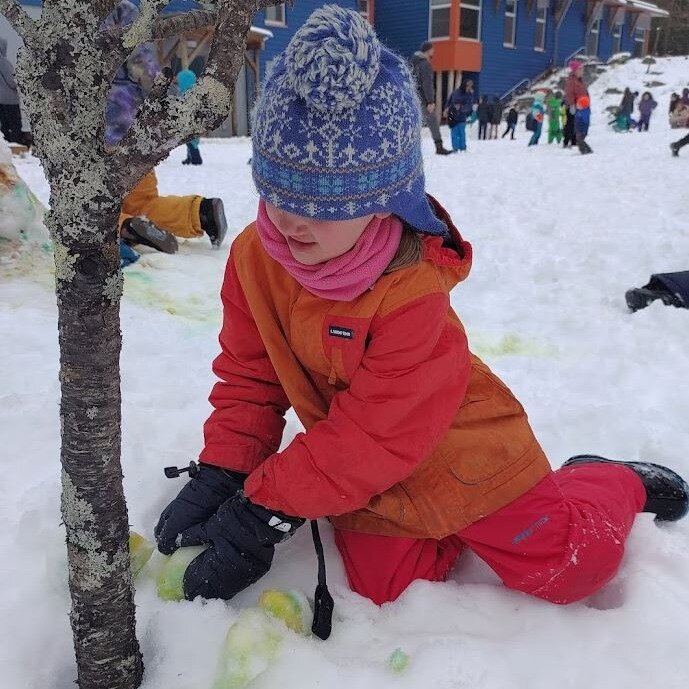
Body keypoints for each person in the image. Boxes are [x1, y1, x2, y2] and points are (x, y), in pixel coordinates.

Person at [152, 7, 689, 614]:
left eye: (325, 203)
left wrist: (267, 505)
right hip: (363, 468)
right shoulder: (255, 257)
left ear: (385, 201)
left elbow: (379, 430)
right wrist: (226, 469)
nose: (290, 220)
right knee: (388, 590)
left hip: (465, 460)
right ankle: (443, 528)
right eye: (275, 194)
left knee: (571, 567)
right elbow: (250, 378)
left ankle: (603, 480)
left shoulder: (410, 289)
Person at [105, 0, 227, 252]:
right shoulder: (122, 10)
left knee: (86, 207)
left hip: (89, 137)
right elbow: (145, 68)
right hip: (132, 129)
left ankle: (128, 227)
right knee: (144, 202)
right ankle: (200, 212)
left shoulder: (64, 18)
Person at [409, 42, 452, 155]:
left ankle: (411, 149)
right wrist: (430, 101)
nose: (434, 52)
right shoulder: (424, 64)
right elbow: (427, 83)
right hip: (423, 99)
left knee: (414, 123)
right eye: (433, 49)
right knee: (432, 122)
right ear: (428, 50)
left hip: (413, 97)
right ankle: (439, 147)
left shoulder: (413, 62)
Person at [176, 68, 203, 165]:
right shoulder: (193, 91)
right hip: (194, 120)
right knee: (190, 141)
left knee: (191, 142)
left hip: (190, 121)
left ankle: (196, 159)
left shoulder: (187, 93)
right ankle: (190, 157)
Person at [0, 38, 23, 146]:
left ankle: (5, 147)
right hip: (9, 99)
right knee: (15, 124)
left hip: (0, 101)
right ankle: (15, 147)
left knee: (4, 125)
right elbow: (12, 80)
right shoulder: (3, 62)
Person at [564, 60, 588, 151]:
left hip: (580, 106)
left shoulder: (580, 81)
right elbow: (569, 93)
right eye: (580, 69)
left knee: (577, 124)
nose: (582, 71)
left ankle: (575, 141)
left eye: (582, 69)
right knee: (570, 124)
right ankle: (566, 142)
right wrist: (571, 105)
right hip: (572, 106)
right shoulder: (571, 81)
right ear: (575, 71)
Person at [444, 82, 474, 152]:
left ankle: (462, 147)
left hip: (462, 116)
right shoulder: (455, 92)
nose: (469, 88)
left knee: (462, 132)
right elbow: (449, 101)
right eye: (468, 86)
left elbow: (469, 105)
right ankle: (455, 148)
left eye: (470, 86)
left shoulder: (469, 95)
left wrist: (461, 107)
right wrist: (446, 109)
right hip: (453, 115)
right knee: (454, 132)